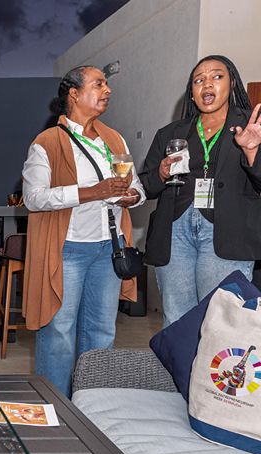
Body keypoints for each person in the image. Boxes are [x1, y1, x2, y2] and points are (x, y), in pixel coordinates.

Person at [21, 66, 146, 397]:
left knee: (102, 330)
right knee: (59, 331)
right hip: (68, 249)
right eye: (99, 84)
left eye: (106, 84)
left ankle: (94, 404)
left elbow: (136, 186)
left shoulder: (114, 139)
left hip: (109, 249)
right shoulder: (47, 142)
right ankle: (55, 404)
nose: (107, 90)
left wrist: (132, 196)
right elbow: (34, 198)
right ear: (74, 94)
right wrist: (93, 192)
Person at [139, 55, 261, 326]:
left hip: (227, 232)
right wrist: (161, 173)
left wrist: (252, 151)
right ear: (192, 92)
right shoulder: (170, 133)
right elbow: (146, 185)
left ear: (232, 83)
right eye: (199, 80)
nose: (207, 84)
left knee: (221, 323)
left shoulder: (252, 127)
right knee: (177, 321)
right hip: (175, 233)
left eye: (217, 76)